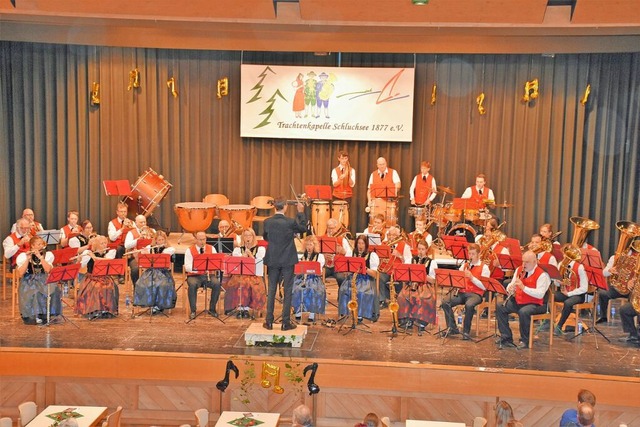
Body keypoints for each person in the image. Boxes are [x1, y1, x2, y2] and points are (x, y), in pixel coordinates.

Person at [263, 197, 307, 331]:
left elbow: (266, 237)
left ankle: (269, 321)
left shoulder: (267, 222)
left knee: (271, 290)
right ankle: (285, 322)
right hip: (287, 259)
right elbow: (303, 228)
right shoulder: (290, 222)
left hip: (273, 259)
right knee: (287, 291)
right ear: (286, 207)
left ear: (274, 207)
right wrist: (300, 212)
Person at [496, 250, 552, 349]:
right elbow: (512, 283)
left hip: (536, 303)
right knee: (500, 306)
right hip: (520, 300)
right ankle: (506, 337)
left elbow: (540, 295)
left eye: (527, 262)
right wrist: (510, 288)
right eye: (523, 261)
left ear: (535, 262)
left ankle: (525, 340)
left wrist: (523, 288)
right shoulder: (519, 270)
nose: (524, 264)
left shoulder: (542, 275)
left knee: (524, 312)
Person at [441, 243, 490, 340]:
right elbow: (457, 279)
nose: (470, 256)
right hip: (462, 292)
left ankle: (466, 331)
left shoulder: (484, 268)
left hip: (476, 294)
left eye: (473, 254)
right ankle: (452, 328)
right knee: (445, 302)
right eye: (469, 254)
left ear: (478, 254)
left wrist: (472, 278)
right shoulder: (465, 265)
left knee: (469, 305)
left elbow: (484, 287)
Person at [223, 228, 266, 319]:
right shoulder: (238, 250)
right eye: (245, 235)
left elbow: (259, 262)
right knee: (238, 283)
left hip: (254, 275)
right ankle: (240, 308)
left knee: (248, 284)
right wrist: (243, 256)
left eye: (249, 235)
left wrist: (250, 254)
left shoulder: (260, 249)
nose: (247, 237)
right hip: (240, 274)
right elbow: (235, 263)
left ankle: (246, 309)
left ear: (253, 237)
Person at [15, 235, 59, 325]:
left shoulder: (48, 255)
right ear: (32, 246)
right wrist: (27, 259)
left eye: (41, 244)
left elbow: (48, 270)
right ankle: (33, 315)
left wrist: (40, 257)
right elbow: (20, 273)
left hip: (44, 278)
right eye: (38, 244)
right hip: (28, 280)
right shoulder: (23, 256)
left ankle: (45, 315)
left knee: (54, 289)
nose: (41, 246)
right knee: (34, 291)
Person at [397, 239, 438, 333]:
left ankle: (421, 322)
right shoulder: (411, 260)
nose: (420, 251)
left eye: (423, 249)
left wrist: (423, 275)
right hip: (411, 284)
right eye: (419, 249)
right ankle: (407, 320)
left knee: (423, 298)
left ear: (426, 250)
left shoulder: (432, 262)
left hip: (425, 286)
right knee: (402, 296)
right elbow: (404, 274)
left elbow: (434, 280)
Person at [338, 235, 380, 322]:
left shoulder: (372, 255)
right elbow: (347, 270)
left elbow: (375, 274)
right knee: (343, 289)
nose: (360, 246)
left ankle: (360, 314)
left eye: (362, 244)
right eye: (359, 243)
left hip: (366, 279)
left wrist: (365, 269)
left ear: (366, 245)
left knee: (361, 291)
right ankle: (346, 312)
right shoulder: (351, 253)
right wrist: (346, 271)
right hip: (353, 278)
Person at [75, 235, 119, 319]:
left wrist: (94, 257)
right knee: (96, 288)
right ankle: (94, 310)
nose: (104, 245)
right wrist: (79, 260)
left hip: (105, 277)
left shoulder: (111, 252)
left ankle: (107, 309)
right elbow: (80, 267)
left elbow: (108, 260)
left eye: (105, 243)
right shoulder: (88, 253)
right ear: (96, 245)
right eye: (102, 243)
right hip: (92, 277)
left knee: (112, 287)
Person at [133, 230, 176, 314]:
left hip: (163, 272)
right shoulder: (150, 247)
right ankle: (150, 303)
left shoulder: (169, 249)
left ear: (165, 240)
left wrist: (161, 250)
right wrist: (141, 253)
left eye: (162, 240)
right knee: (141, 284)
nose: (160, 242)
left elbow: (167, 253)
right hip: (150, 272)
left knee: (162, 284)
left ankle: (159, 306)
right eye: (158, 240)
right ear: (155, 240)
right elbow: (143, 261)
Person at [184, 231, 220, 320]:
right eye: (200, 240)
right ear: (196, 239)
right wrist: (197, 270)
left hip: (208, 275)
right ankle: (193, 310)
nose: (202, 241)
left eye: (204, 239)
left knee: (217, 284)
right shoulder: (189, 250)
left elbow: (216, 263)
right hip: (194, 276)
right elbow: (187, 267)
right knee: (192, 285)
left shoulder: (212, 249)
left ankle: (212, 309)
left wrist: (210, 268)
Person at [554, 247, 589, 335]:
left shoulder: (580, 267)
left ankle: (559, 326)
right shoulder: (561, 265)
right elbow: (557, 284)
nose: (565, 256)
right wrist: (558, 281)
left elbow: (585, 288)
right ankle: (547, 321)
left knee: (568, 303)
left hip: (578, 295)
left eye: (566, 254)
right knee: (549, 296)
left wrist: (569, 293)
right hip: (565, 292)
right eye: (565, 254)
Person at [292, 235, 326, 323]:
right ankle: (298, 311)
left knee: (312, 289)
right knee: (296, 289)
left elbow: (319, 270)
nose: (309, 247)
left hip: (314, 278)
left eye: (311, 245)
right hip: (302, 278)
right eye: (307, 245)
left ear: (314, 246)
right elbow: (297, 269)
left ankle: (312, 312)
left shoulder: (320, 256)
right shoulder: (302, 256)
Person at [378, 225, 412, 307]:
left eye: (394, 235)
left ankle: (400, 299)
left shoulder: (404, 246)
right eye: (389, 235)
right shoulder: (383, 244)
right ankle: (382, 300)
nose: (391, 237)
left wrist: (400, 256)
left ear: (398, 236)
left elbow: (409, 261)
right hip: (385, 271)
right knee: (378, 277)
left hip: (398, 272)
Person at [124, 215, 155, 284]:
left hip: (149, 256)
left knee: (159, 267)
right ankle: (137, 289)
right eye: (141, 222)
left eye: (144, 222)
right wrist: (138, 239)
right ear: (136, 223)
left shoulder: (152, 230)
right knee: (135, 270)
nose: (143, 224)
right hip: (135, 257)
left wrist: (151, 239)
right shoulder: (131, 233)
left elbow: (157, 242)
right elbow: (126, 246)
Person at [322, 218, 353, 286]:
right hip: (325, 266)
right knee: (318, 277)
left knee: (341, 278)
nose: (330, 230)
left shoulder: (342, 240)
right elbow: (316, 253)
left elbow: (350, 253)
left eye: (332, 228)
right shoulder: (322, 239)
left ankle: (341, 296)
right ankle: (322, 295)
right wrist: (323, 256)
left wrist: (344, 252)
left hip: (338, 266)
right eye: (329, 228)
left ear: (336, 228)